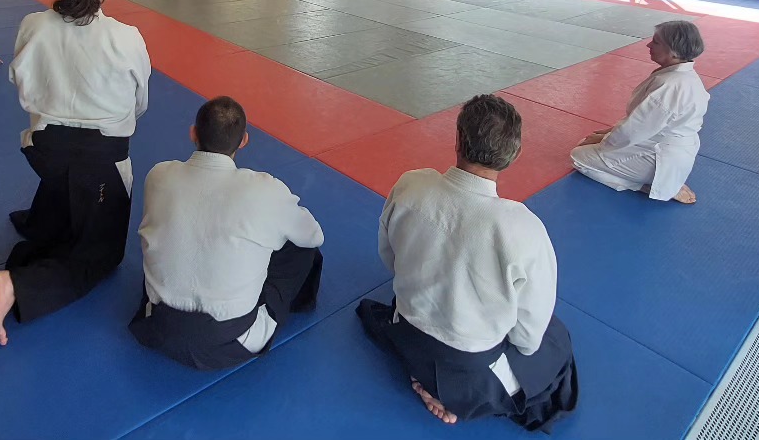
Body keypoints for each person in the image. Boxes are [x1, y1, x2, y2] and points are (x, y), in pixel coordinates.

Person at [357, 95, 577, 430]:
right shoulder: (524, 228)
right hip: (469, 364)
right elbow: (528, 340)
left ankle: (429, 382)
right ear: (514, 155)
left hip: (407, 331)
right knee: (555, 341)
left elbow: (390, 259)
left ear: (458, 140)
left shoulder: (411, 185)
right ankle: (453, 395)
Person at [0, 0, 152, 345]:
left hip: (43, 150)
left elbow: (18, 82)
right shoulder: (125, 38)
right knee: (102, 257)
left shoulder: (33, 25)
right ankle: (15, 287)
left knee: (64, 183)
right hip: (102, 161)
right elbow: (139, 102)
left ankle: (44, 221)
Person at [128, 96, 324, 370]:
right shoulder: (264, 189)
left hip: (155, 326)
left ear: (193, 133)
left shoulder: (159, 175)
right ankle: (295, 305)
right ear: (244, 140)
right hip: (231, 342)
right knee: (301, 249)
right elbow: (314, 236)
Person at [572, 21, 709, 204]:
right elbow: (645, 120)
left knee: (578, 157)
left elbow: (633, 131)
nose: (648, 45)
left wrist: (604, 140)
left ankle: (653, 186)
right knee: (588, 144)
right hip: (667, 148)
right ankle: (661, 183)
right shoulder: (682, 77)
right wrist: (608, 132)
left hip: (660, 157)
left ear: (673, 51)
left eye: (656, 42)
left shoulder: (670, 86)